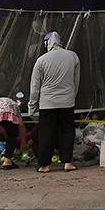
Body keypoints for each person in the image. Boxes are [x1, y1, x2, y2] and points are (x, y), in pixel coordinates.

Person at [30, 32, 80, 173]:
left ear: (47, 43)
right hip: (67, 102)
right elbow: (76, 81)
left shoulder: (41, 60)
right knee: (67, 131)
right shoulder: (73, 56)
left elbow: (35, 87)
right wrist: (71, 96)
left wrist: (32, 106)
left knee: (46, 133)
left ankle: (44, 165)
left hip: (47, 103)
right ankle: (67, 163)